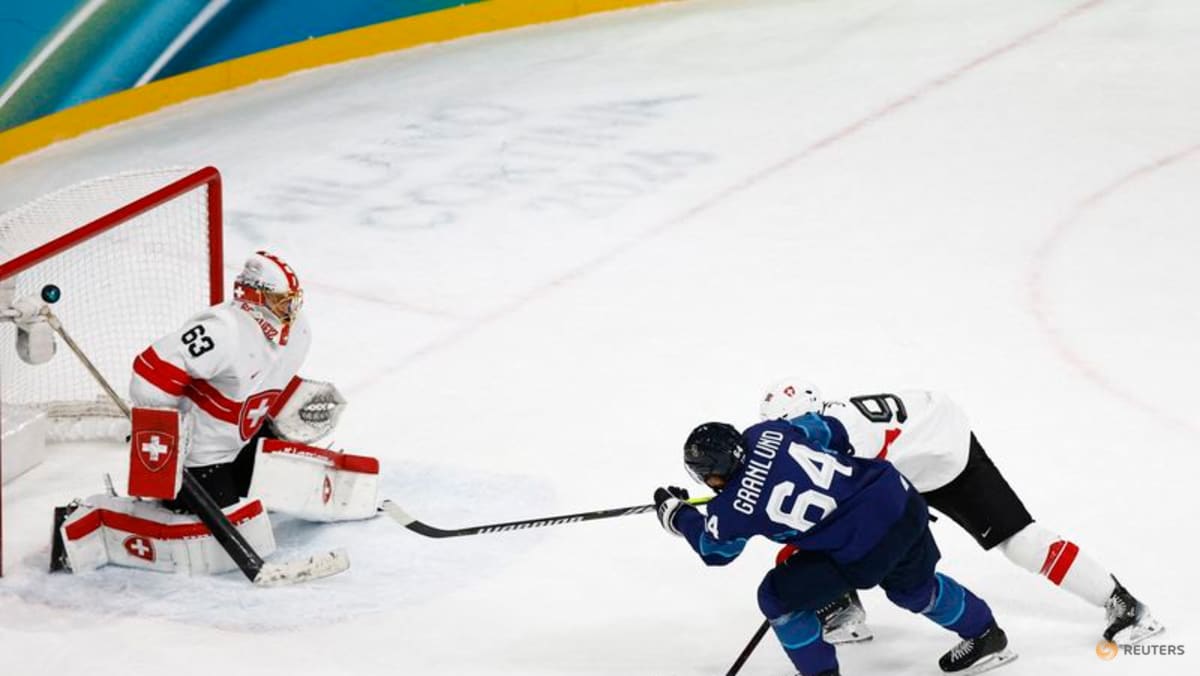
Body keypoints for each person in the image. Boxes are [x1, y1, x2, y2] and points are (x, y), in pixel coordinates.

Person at [758, 378, 1162, 646]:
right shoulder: (825, 427)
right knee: (835, 527)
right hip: (905, 463)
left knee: (1021, 542)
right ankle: (843, 605)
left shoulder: (844, 437)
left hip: (945, 457)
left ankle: (1122, 602)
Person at [52, 251, 376, 577]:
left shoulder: (299, 333)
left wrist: (288, 404)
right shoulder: (223, 331)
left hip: (243, 439)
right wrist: (171, 433)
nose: (290, 311)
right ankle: (98, 517)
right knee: (225, 533)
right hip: (200, 457)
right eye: (281, 301)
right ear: (253, 298)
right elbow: (150, 374)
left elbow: (265, 378)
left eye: (292, 301)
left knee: (277, 489)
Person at [655, 420, 1017, 676]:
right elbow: (834, 433)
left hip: (860, 548)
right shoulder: (769, 431)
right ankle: (987, 634)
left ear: (712, 474)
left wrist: (678, 515)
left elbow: (715, 551)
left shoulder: (731, 510)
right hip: (899, 500)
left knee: (776, 598)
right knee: (915, 590)